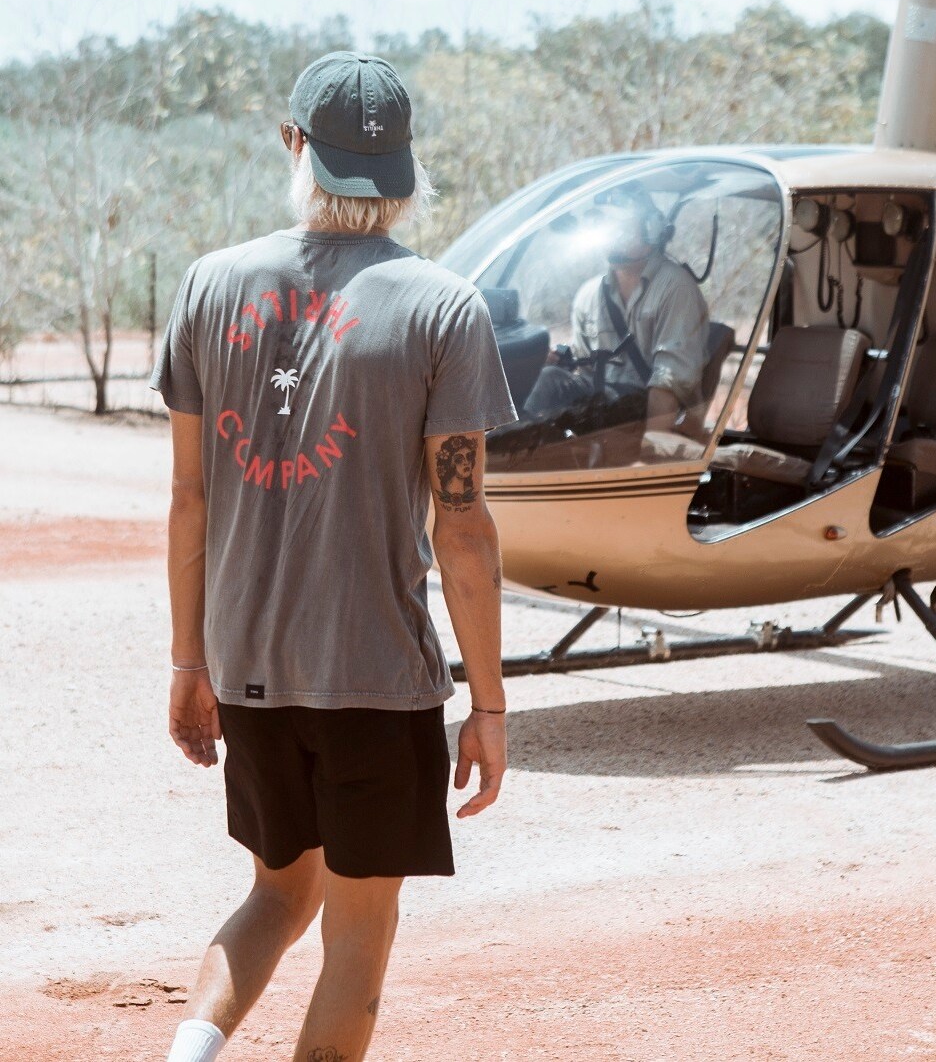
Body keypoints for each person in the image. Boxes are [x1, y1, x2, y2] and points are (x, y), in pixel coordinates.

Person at [151, 51, 517, 1062]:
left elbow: (188, 497)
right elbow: (464, 527)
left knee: (276, 893)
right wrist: (487, 705)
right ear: (404, 169)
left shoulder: (208, 285)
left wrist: (191, 663)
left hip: (250, 664)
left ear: (294, 148)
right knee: (358, 937)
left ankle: (187, 1056)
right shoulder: (444, 306)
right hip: (377, 680)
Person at [523, 184, 709, 431]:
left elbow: (669, 381)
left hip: (645, 412)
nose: (612, 237)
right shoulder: (590, 295)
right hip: (601, 408)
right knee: (548, 379)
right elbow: (585, 370)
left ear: (650, 230)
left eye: (620, 227)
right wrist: (556, 362)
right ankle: (511, 454)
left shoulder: (675, 288)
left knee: (567, 389)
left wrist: (651, 449)